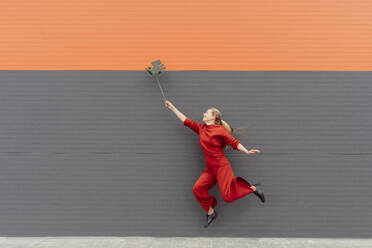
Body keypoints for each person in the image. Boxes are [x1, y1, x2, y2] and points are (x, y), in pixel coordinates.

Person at [165, 100, 265, 228]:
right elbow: (185, 120)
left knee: (228, 197)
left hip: (222, 167)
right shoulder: (201, 129)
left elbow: (233, 142)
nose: (204, 114)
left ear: (214, 117)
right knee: (197, 189)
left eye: (206, 112)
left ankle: (253, 189)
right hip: (211, 169)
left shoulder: (220, 130)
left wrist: (246, 151)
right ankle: (211, 212)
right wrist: (173, 108)